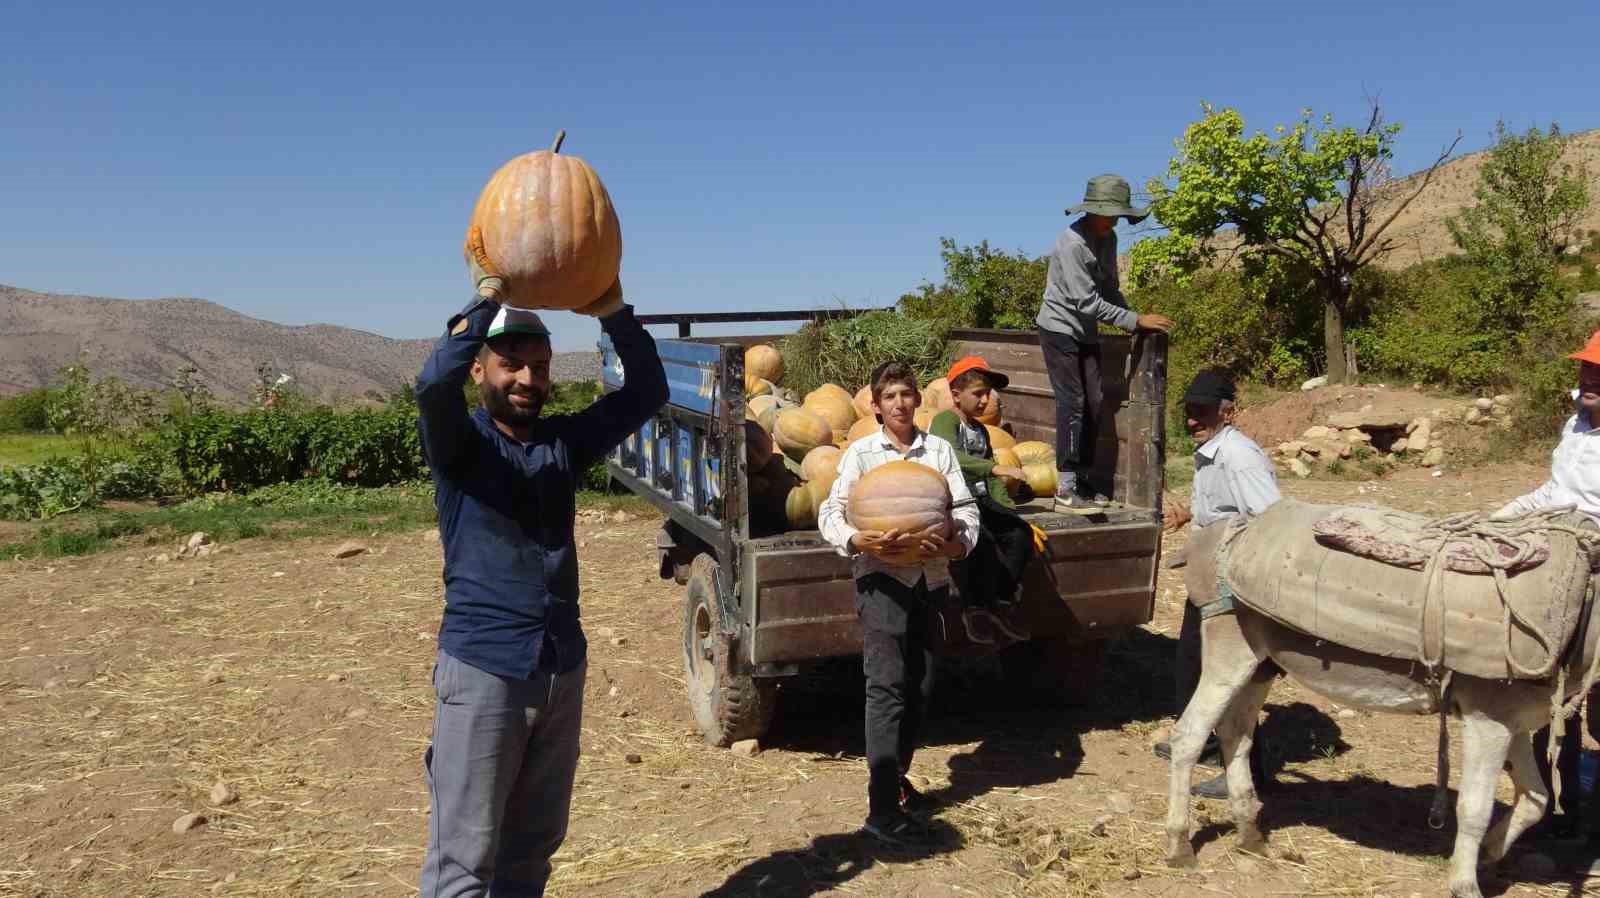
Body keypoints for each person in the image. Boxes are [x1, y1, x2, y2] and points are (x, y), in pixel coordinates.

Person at [414, 226, 668, 897]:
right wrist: (487, 299)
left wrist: (613, 311)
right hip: (485, 670)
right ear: (482, 370)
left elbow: (646, 392)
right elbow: (431, 382)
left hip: (560, 667)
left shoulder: (559, 444)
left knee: (531, 855)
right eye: (510, 364)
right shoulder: (459, 447)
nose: (528, 378)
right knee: (464, 863)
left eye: (540, 365)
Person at [818, 361, 981, 846]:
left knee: (922, 686)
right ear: (876, 405)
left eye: (907, 395)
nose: (900, 405)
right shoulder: (863, 453)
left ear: (918, 400)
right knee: (886, 689)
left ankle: (898, 778)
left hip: (930, 580)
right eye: (890, 397)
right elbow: (831, 510)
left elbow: (966, 511)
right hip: (882, 581)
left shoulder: (939, 451)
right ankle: (881, 808)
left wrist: (954, 546)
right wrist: (858, 539)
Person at [1492, 330, 1600, 841]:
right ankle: (1548, 807)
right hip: (1563, 565)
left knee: (1594, 701)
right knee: (1545, 690)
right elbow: (1555, 493)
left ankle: (1586, 822)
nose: (1590, 378)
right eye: (1586, 368)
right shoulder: (1575, 426)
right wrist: (1499, 517)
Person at [1157, 370, 1281, 799]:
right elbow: (1221, 505)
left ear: (1229, 412)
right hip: (1209, 577)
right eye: (1190, 411)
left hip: (1234, 582)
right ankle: (1207, 744)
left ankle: (1248, 775)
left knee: (1232, 678)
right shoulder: (1210, 451)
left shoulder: (1238, 456)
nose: (1193, 420)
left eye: (1203, 412)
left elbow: (1269, 519)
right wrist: (1191, 517)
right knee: (1192, 664)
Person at [1037, 174, 1174, 512]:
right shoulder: (1071, 244)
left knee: (1096, 402)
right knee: (1074, 402)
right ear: (1092, 210)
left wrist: (1133, 319)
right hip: (1058, 328)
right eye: (1108, 213)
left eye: (1116, 215)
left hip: (1085, 331)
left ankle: (1082, 477)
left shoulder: (1108, 239)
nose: (1112, 220)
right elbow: (1086, 303)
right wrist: (1135, 320)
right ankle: (1065, 487)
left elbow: (1109, 288)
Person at [928, 356, 1035, 645]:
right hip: (955, 500)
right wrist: (994, 467)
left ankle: (1001, 601)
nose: (985, 400)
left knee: (1019, 535)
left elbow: (991, 482)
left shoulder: (982, 430)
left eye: (987, 394)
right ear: (955, 395)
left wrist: (1008, 510)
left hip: (982, 499)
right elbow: (947, 455)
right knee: (980, 541)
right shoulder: (945, 420)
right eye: (978, 393)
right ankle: (974, 608)